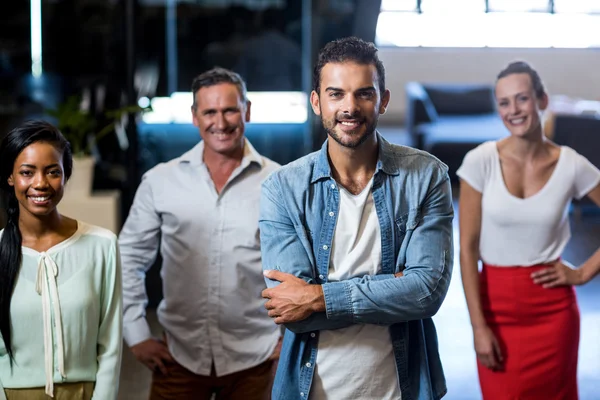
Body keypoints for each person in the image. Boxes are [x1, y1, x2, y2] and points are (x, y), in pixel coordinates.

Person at [259, 36, 454, 400]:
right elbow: (289, 307)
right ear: (317, 102)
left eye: (364, 93)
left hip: (401, 387)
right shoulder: (281, 189)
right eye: (336, 94)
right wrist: (392, 287)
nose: (350, 107)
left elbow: (426, 293)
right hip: (312, 389)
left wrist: (317, 296)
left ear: (383, 100)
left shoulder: (426, 176)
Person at [119, 67, 281, 400]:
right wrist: (135, 333)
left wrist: (286, 339)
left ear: (247, 110)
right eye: (209, 112)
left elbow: (300, 268)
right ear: (194, 117)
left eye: (230, 110)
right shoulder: (160, 181)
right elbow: (128, 257)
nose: (220, 123)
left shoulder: (279, 183)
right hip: (179, 357)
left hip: (258, 358)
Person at [457, 61, 600, 400]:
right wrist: (478, 327)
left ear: (542, 100)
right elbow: (467, 248)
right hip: (494, 311)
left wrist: (583, 273)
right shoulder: (481, 161)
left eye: (522, 99)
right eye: (504, 102)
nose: (513, 110)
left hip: (554, 314)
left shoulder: (570, 163)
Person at [0, 120, 122, 399]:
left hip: (83, 392)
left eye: (53, 172)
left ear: (66, 176)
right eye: (27, 172)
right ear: (10, 177)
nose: (40, 183)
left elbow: (110, 344)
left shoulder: (102, 245)